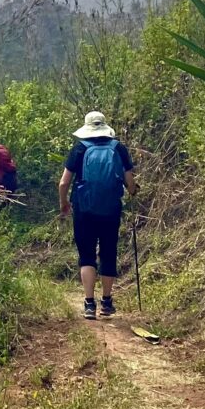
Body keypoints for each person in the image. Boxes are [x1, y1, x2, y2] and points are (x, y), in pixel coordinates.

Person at [58, 111, 136, 320]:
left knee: (87, 255)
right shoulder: (118, 148)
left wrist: (64, 203)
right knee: (109, 252)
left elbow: (64, 183)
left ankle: (89, 304)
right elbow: (130, 183)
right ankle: (107, 302)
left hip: (84, 209)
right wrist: (132, 191)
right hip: (111, 209)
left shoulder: (80, 149)